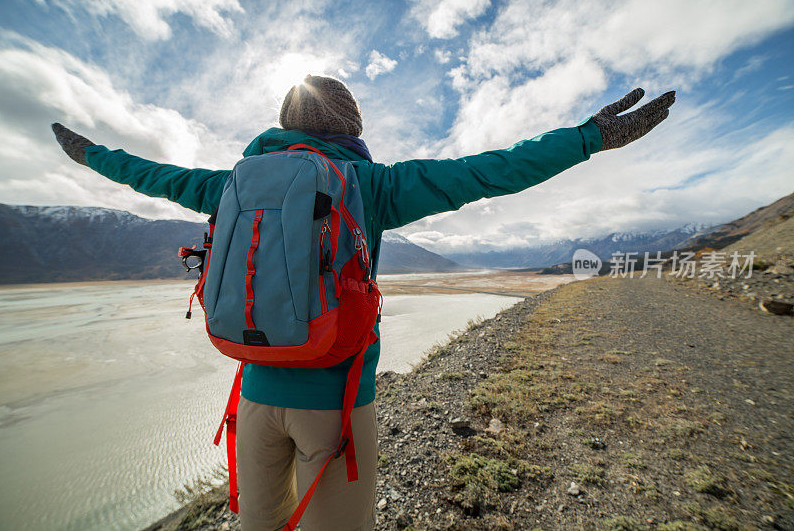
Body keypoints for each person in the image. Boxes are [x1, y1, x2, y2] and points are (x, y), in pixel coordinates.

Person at [52, 75, 675, 530]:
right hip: (338, 400)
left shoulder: (231, 185)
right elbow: (493, 169)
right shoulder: (373, 184)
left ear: (282, 126)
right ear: (350, 129)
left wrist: (90, 154)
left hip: (256, 399)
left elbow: (147, 173)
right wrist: (588, 138)